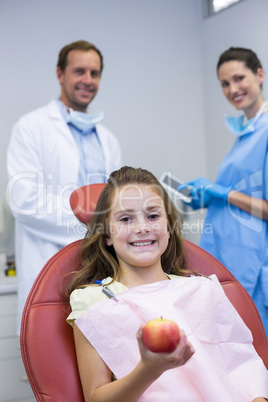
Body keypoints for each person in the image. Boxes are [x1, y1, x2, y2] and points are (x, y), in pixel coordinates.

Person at [66, 166, 268, 401]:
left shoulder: (202, 289)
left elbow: (243, 364)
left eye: (153, 216)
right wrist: (149, 370)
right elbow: (95, 398)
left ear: (169, 227)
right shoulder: (93, 301)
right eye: (125, 219)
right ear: (107, 235)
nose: (142, 228)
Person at [6, 40, 122, 334]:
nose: (87, 80)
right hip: (50, 263)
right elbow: (24, 200)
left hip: (100, 267)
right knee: (52, 363)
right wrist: (96, 222)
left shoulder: (107, 139)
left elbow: (117, 202)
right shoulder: (31, 128)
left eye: (94, 73)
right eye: (79, 71)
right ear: (60, 74)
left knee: (104, 364)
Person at [179, 47, 268, 338]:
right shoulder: (246, 135)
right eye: (225, 84)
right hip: (231, 258)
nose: (232, 89)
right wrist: (209, 198)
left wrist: (221, 192)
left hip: (254, 266)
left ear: (260, 75)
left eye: (239, 78)